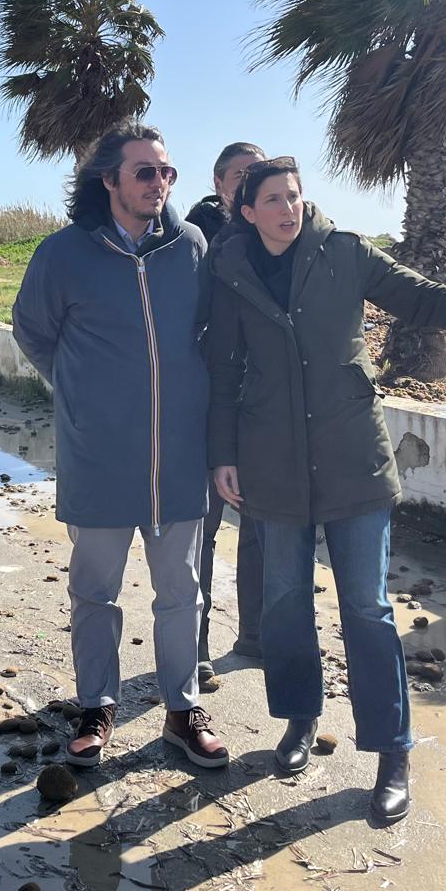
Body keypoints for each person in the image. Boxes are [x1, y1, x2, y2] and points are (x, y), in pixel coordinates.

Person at [202, 158, 446, 824]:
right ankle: (300, 719)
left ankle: (393, 753)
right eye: (273, 199)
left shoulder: (344, 253)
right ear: (247, 210)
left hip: (353, 463)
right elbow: (223, 368)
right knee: (283, 603)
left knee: (366, 609)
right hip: (271, 464)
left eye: (295, 197)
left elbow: (420, 295)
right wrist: (222, 455)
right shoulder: (230, 269)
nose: (287, 209)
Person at [12, 124, 227, 771]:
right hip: (99, 460)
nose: (159, 183)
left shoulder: (191, 246)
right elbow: (33, 334)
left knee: (181, 593)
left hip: (181, 459)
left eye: (167, 172)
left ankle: (183, 712)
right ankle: (97, 706)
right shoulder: (62, 255)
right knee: (95, 592)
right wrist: (82, 397)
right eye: (145, 172)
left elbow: (210, 334)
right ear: (108, 180)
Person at [184, 142, 267, 681]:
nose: (246, 184)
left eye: (255, 176)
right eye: (240, 176)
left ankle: (256, 634)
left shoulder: (276, 236)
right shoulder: (193, 236)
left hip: (260, 402)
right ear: (218, 182)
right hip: (210, 396)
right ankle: (196, 644)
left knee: (260, 526)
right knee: (204, 528)